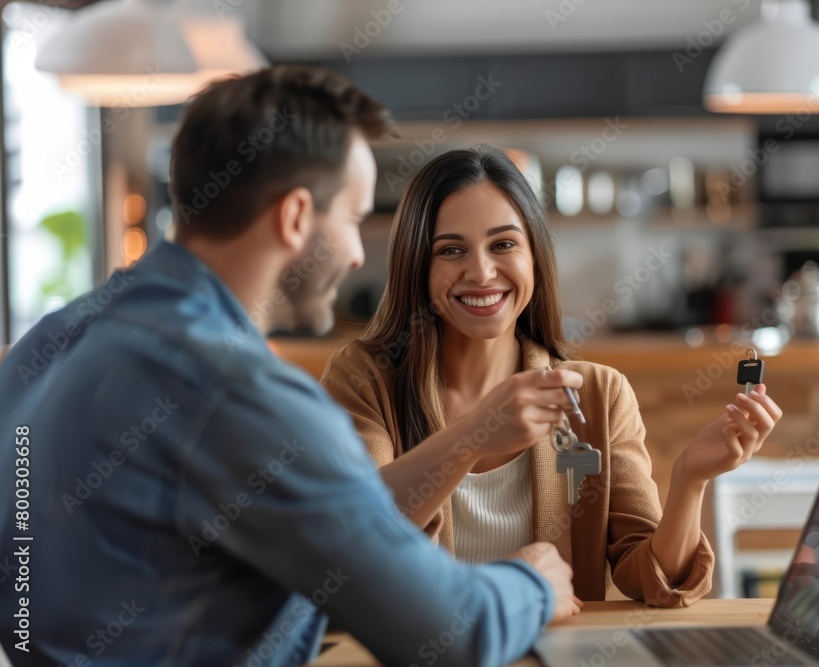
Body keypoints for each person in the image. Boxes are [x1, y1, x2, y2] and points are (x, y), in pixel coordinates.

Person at [0, 68, 576, 667]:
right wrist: (533, 583)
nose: (358, 255)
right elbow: (452, 634)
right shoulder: (240, 393)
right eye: (352, 220)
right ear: (296, 216)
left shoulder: (44, 347)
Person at [322, 146, 784, 605]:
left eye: (503, 244)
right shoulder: (366, 378)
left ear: (535, 257)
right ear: (416, 266)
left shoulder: (600, 394)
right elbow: (353, 534)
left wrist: (689, 481)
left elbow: (650, 580)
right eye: (451, 250)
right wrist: (474, 435)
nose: (481, 272)